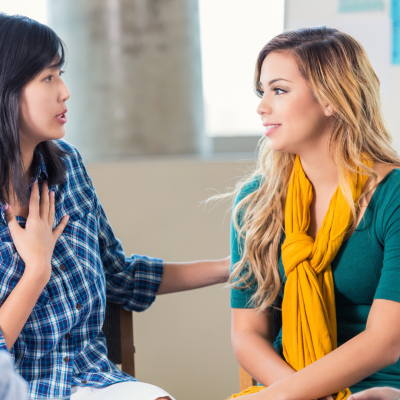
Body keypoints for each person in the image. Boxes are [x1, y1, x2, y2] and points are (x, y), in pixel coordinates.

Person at [0, 13, 230, 400]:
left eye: (61, 74)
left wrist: (231, 267)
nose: (65, 91)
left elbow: (119, 275)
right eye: (48, 78)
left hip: (93, 380)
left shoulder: (68, 167)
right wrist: (36, 269)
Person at [225, 26, 400, 399]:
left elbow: (386, 341)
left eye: (279, 90)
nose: (261, 106)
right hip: (291, 386)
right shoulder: (255, 204)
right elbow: (247, 334)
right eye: (262, 91)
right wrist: (298, 393)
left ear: (331, 99)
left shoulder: (394, 196)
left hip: (385, 388)